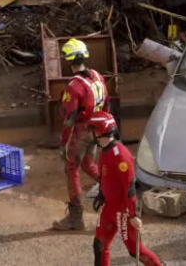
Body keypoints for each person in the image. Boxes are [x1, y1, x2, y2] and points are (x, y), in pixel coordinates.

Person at [87, 111, 165, 266]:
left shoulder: (121, 156)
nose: (92, 134)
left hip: (123, 211)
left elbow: (129, 186)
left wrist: (132, 215)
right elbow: (105, 177)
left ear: (100, 131)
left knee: (134, 249)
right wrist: (102, 194)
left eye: (93, 130)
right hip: (109, 208)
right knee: (99, 245)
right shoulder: (105, 150)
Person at [53, 38, 110, 232]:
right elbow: (107, 104)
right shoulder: (98, 76)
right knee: (88, 164)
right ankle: (116, 191)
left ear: (68, 60)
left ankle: (75, 219)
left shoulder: (74, 86)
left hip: (82, 131)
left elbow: (69, 118)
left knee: (72, 168)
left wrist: (63, 143)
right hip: (97, 127)